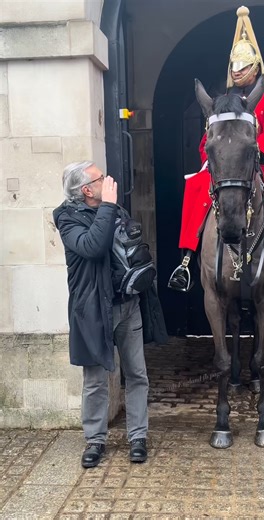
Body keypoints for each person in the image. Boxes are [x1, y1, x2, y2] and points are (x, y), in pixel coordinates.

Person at [168, 5, 264, 294]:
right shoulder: (222, 102)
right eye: (234, 68)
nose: (237, 73)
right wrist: (211, 160)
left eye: (243, 68)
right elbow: (208, 139)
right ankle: (187, 260)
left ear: (255, 69)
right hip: (226, 167)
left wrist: (259, 156)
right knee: (195, 189)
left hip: (261, 162)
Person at [53, 161, 149, 468]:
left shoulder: (115, 210)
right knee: (95, 379)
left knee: (136, 375)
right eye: (100, 178)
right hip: (94, 310)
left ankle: (138, 437)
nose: (108, 181)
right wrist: (108, 206)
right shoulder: (68, 219)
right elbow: (93, 246)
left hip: (128, 305)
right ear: (86, 190)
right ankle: (95, 440)